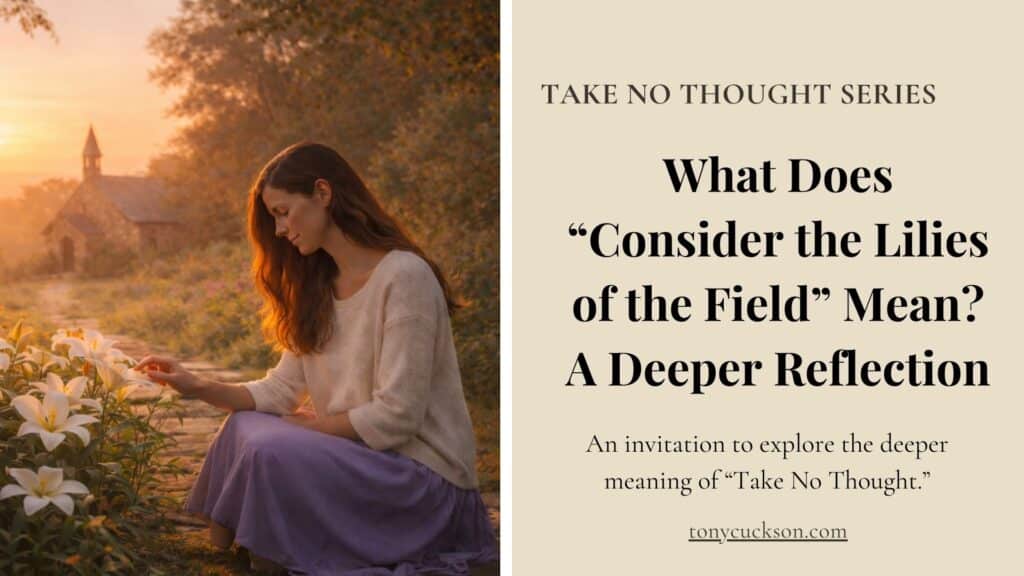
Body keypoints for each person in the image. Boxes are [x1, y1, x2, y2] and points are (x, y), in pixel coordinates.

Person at [135, 142, 498, 575]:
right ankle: (252, 547)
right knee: (243, 424)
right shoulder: (319, 285)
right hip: (358, 457)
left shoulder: (404, 276)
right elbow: (280, 390)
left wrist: (309, 429)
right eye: (274, 218)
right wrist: (194, 384)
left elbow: (397, 416)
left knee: (271, 448)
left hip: (419, 478)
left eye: (283, 212)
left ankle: (277, 551)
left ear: (323, 193)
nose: (279, 229)